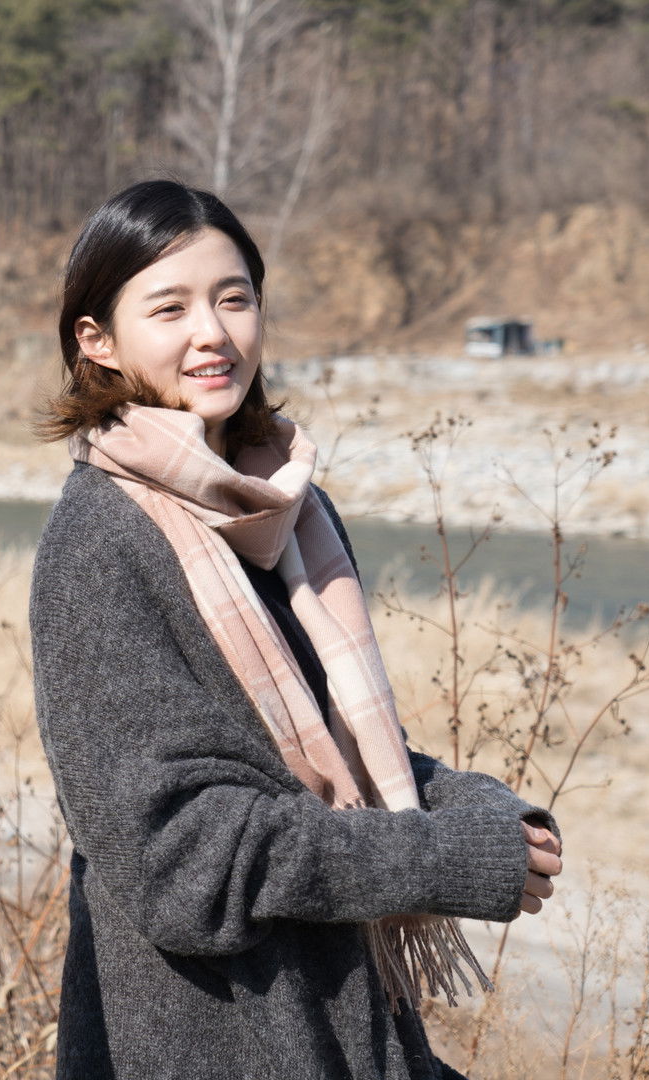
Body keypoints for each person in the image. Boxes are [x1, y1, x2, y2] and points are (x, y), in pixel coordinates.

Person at [28, 179, 563, 1079]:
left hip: (352, 1020)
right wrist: (441, 856)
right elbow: (183, 859)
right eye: (170, 308)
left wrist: (472, 804)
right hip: (213, 1040)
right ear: (97, 340)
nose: (213, 333)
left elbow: (329, 759)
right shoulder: (99, 543)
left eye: (234, 298)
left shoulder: (288, 514)